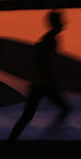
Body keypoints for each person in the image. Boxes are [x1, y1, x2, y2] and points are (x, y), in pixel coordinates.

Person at [8, 10, 72, 142]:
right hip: (42, 84)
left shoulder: (49, 39)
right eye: (60, 21)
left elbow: (45, 59)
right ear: (55, 23)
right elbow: (42, 61)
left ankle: (13, 141)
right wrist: (52, 81)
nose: (62, 24)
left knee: (29, 115)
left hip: (41, 84)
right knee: (62, 109)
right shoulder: (49, 40)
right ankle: (50, 135)